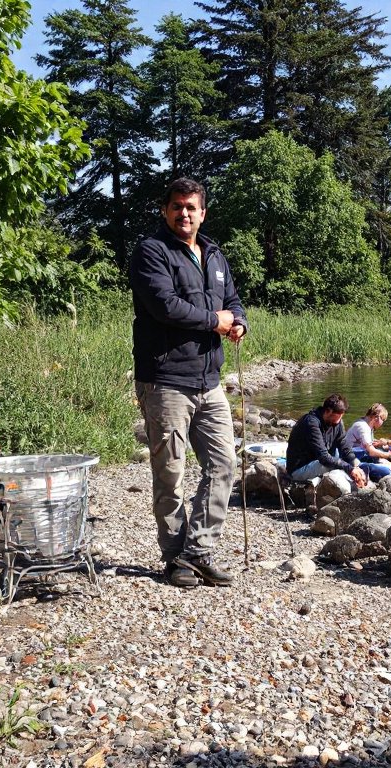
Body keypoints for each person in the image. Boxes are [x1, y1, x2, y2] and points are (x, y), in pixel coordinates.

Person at [130, 177, 246, 589]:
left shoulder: (214, 254)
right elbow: (164, 306)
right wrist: (215, 321)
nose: (184, 213)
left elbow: (232, 300)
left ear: (203, 213)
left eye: (191, 207)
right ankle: (174, 558)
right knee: (170, 474)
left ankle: (197, 551)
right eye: (177, 206)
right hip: (165, 380)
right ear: (166, 211)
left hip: (209, 380)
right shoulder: (151, 251)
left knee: (223, 464)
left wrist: (239, 323)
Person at [285, 393, 369, 490]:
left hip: (319, 462)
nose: (339, 421)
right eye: (337, 416)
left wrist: (356, 465)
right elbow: (323, 457)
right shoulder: (311, 423)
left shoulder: (338, 422)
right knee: (334, 464)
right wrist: (349, 469)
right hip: (299, 469)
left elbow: (344, 447)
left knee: (344, 459)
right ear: (328, 411)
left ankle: (358, 478)